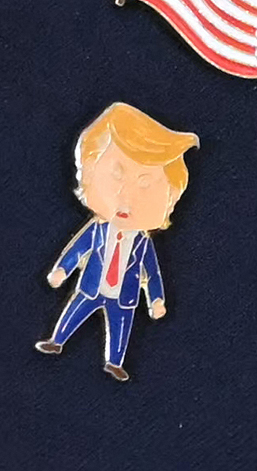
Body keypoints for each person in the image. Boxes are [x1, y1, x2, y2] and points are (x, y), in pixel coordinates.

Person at [35, 102, 198, 381]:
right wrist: (62, 270)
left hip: (124, 296)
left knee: (121, 327)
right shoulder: (97, 229)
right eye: (117, 173)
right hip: (91, 287)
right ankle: (57, 339)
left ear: (170, 199)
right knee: (74, 311)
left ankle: (115, 362)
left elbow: (152, 273)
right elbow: (78, 249)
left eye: (145, 184)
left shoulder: (143, 243)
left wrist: (156, 299)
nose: (126, 196)